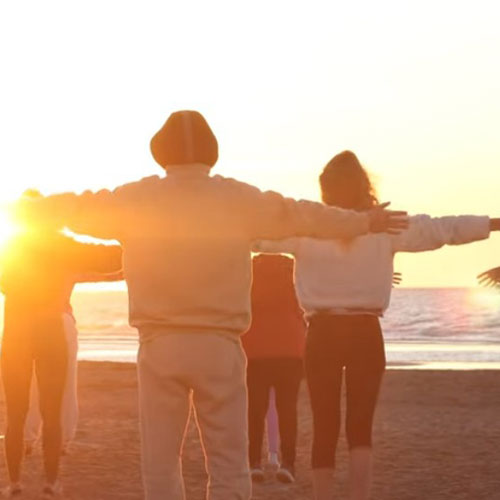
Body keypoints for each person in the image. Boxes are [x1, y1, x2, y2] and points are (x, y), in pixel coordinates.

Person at [15, 111, 407, 500]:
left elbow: (79, 207)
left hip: (160, 345)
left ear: (161, 153)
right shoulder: (237, 198)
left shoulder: (136, 198)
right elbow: (302, 215)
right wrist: (363, 223)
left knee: (161, 464)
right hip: (220, 346)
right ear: (211, 153)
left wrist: (30, 209)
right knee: (228, 465)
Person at [255, 150, 500, 500]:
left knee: (325, 424)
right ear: (363, 186)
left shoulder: (306, 228)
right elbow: (443, 228)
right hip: (364, 333)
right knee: (360, 425)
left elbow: (256, 238)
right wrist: (495, 223)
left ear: (325, 190)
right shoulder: (382, 227)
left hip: (322, 334)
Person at [1, 191, 122, 498]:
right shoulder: (63, 245)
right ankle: (51, 483)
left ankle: (14, 483)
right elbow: (110, 258)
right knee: (52, 411)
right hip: (50, 329)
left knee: (15, 413)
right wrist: (139, 241)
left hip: (15, 331)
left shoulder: (10, 247)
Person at [23, 270, 123, 457]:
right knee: (66, 383)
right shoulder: (66, 253)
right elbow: (105, 271)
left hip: (32, 322)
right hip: (59, 320)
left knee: (31, 383)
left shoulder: (21, 257)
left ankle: (27, 438)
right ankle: (61, 440)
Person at [242, 254, 305, 484]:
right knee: (287, 409)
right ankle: (288, 464)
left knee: (254, 410)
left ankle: (253, 464)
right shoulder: (293, 267)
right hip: (290, 347)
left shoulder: (249, 268)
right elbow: (304, 306)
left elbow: (241, 304)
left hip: (255, 347)